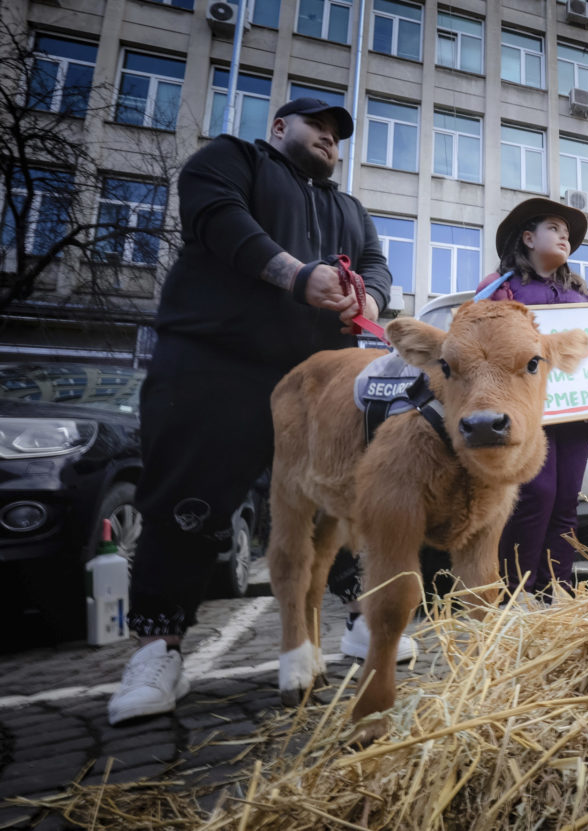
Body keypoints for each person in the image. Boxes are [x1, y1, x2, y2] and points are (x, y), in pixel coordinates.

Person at [108, 98, 394, 726]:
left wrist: (366, 295)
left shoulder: (349, 208)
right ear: (278, 128)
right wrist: (297, 276)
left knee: (336, 497)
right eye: (315, 125)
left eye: (336, 134)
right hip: (217, 361)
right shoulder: (230, 158)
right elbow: (219, 218)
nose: (328, 137)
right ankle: (160, 647)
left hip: (318, 379)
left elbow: (376, 265)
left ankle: (356, 618)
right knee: (187, 496)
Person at [475, 197, 588, 599]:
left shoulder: (585, 297)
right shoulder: (500, 290)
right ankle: (515, 590)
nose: (564, 237)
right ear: (528, 238)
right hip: (528, 416)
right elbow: (481, 347)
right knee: (533, 497)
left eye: (567, 233)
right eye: (554, 229)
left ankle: (556, 591)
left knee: (564, 503)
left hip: (576, 416)